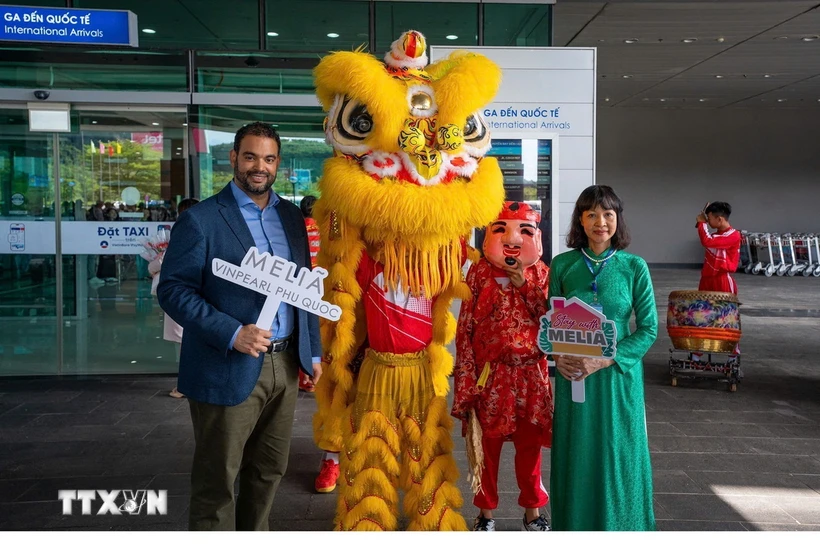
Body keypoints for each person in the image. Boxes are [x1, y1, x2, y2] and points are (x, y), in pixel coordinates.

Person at [157, 122, 322, 531]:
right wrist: (232, 331)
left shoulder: (291, 216)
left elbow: (302, 286)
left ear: (278, 163)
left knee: (268, 472)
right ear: (233, 158)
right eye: (250, 157)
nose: (259, 167)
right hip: (224, 363)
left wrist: (312, 351)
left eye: (268, 159)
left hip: (284, 365)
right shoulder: (202, 219)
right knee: (218, 480)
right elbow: (173, 290)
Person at [548, 185, 658, 531]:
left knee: (619, 455)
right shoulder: (563, 265)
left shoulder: (633, 267)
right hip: (574, 380)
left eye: (608, 214)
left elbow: (649, 329)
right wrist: (559, 357)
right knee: (577, 456)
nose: (600, 222)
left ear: (617, 220)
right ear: (580, 220)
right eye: (592, 214)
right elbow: (553, 322)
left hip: (617, 380)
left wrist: (607, 359)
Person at [452, 201, 553, 532]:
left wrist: (525, 285)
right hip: (489, 377)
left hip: (531, 376)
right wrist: (465, 382)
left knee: (530, 448)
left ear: (536, 236)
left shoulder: (542, 272)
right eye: (502, 231)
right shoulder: (479, 272)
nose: (512, 240)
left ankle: (533, 512)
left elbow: (551, 319)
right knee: (487, 449)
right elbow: (465, 328)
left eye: (524, 232)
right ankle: (485, 514)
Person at [149, 198, 200, 399]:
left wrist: (157, 262)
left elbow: (158, 265)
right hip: (197, 295)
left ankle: (186, 385)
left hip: (183, 295)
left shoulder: (184, 234)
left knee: (184, 342)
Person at [298, 195, 320, 394]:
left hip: (301, 285)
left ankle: (304, 379)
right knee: (317, 332)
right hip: (320, 286)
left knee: (302, 329)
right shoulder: (323, 231)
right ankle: (316, 377)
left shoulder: (296, 230)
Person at [696, 201, 741, 294]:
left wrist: (701, 223)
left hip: (721, 279)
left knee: (723, 308)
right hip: (706, 278)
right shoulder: (715, 235)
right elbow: (708, 239)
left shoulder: (733, 235)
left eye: (709, 218)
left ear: (719, 219)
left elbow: (707, 241)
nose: (707, 221)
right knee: (703, 308)